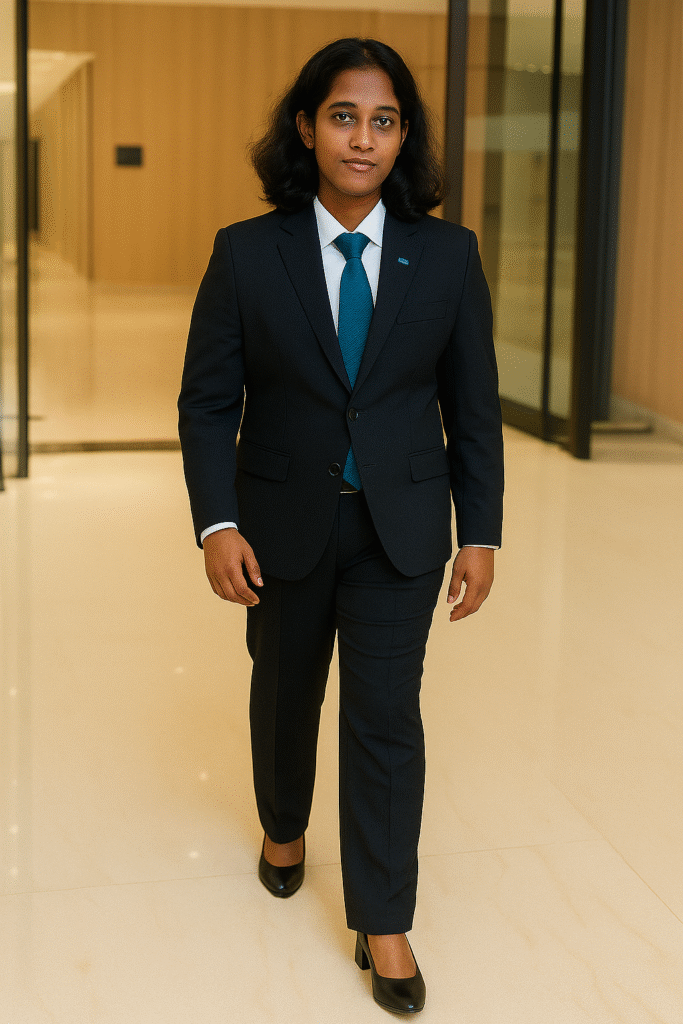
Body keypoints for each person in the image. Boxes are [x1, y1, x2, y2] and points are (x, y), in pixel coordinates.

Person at [178, 36, 503, 1015]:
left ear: (404, 137)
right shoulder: (247, 251)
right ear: (307, 128)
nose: (362, 137)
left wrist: (480, 530)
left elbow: (471, 402)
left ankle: (384, 916)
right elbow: (206, 402)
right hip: (277, 525)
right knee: (283, 693)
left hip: (401, 527)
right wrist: (216, 523)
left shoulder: (446, 254)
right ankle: (283, 825)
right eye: (343, 115)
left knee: (383, 720)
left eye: (384, 119)